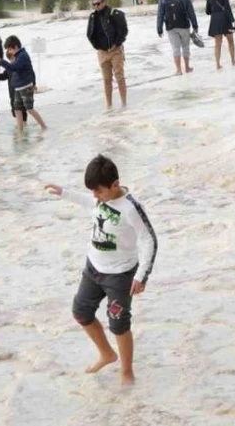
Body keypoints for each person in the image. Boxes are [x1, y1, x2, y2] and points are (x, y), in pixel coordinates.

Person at [44, 154, 158, 387]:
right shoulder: (100, 198)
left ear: (115, 184)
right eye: (93, 191)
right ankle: (107, 354)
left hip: (120, 275)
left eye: (99, 191)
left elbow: (149, 240)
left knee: (118, 323)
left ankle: (127, 371)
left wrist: (141, 276)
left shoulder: (131, 208)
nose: (95, 196)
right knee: (81, 312)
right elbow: (90, 202)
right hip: (93, 268)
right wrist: (64, 192)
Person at [87, 0, 129, 110]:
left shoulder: (114, 14)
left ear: (104, 2)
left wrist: (116, 44)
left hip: (115, 51)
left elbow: (123, 30)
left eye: (98, 4)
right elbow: (89, 33)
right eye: (94, 4)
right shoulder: (92, 17)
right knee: (106, 79)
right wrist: (97, 47)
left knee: (119, 77)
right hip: (102, 52)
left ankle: (124, 103)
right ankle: (109, 105)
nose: (96, 6)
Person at [0, 35, 47, 132]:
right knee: (17, 110)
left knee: (29, 109)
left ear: (16, 47)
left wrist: (0, 61)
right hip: (18, 88)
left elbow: (13, 68)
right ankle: (20, 132)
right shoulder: (17, 56)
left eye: (10, 49)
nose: (9, 52)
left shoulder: (23, 56)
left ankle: (43, 127)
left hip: (26, 87)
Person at [156, 0, 199, 76]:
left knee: (175, 48)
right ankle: (187, 67)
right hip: (184, 25)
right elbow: (190, 11)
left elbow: (160, 13)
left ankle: (179, 70)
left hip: (171, 26)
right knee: (185, 47)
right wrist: (195, 25)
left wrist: (159, 28)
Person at [205, 0, 235, 70]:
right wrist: (233, 21)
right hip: (225, 20)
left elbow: (207, 12)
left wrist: (214, 10)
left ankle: (217, 64)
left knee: (217, 44)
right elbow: (228, 8)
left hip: (215, 20)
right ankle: (233, 61)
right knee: (230, 41)